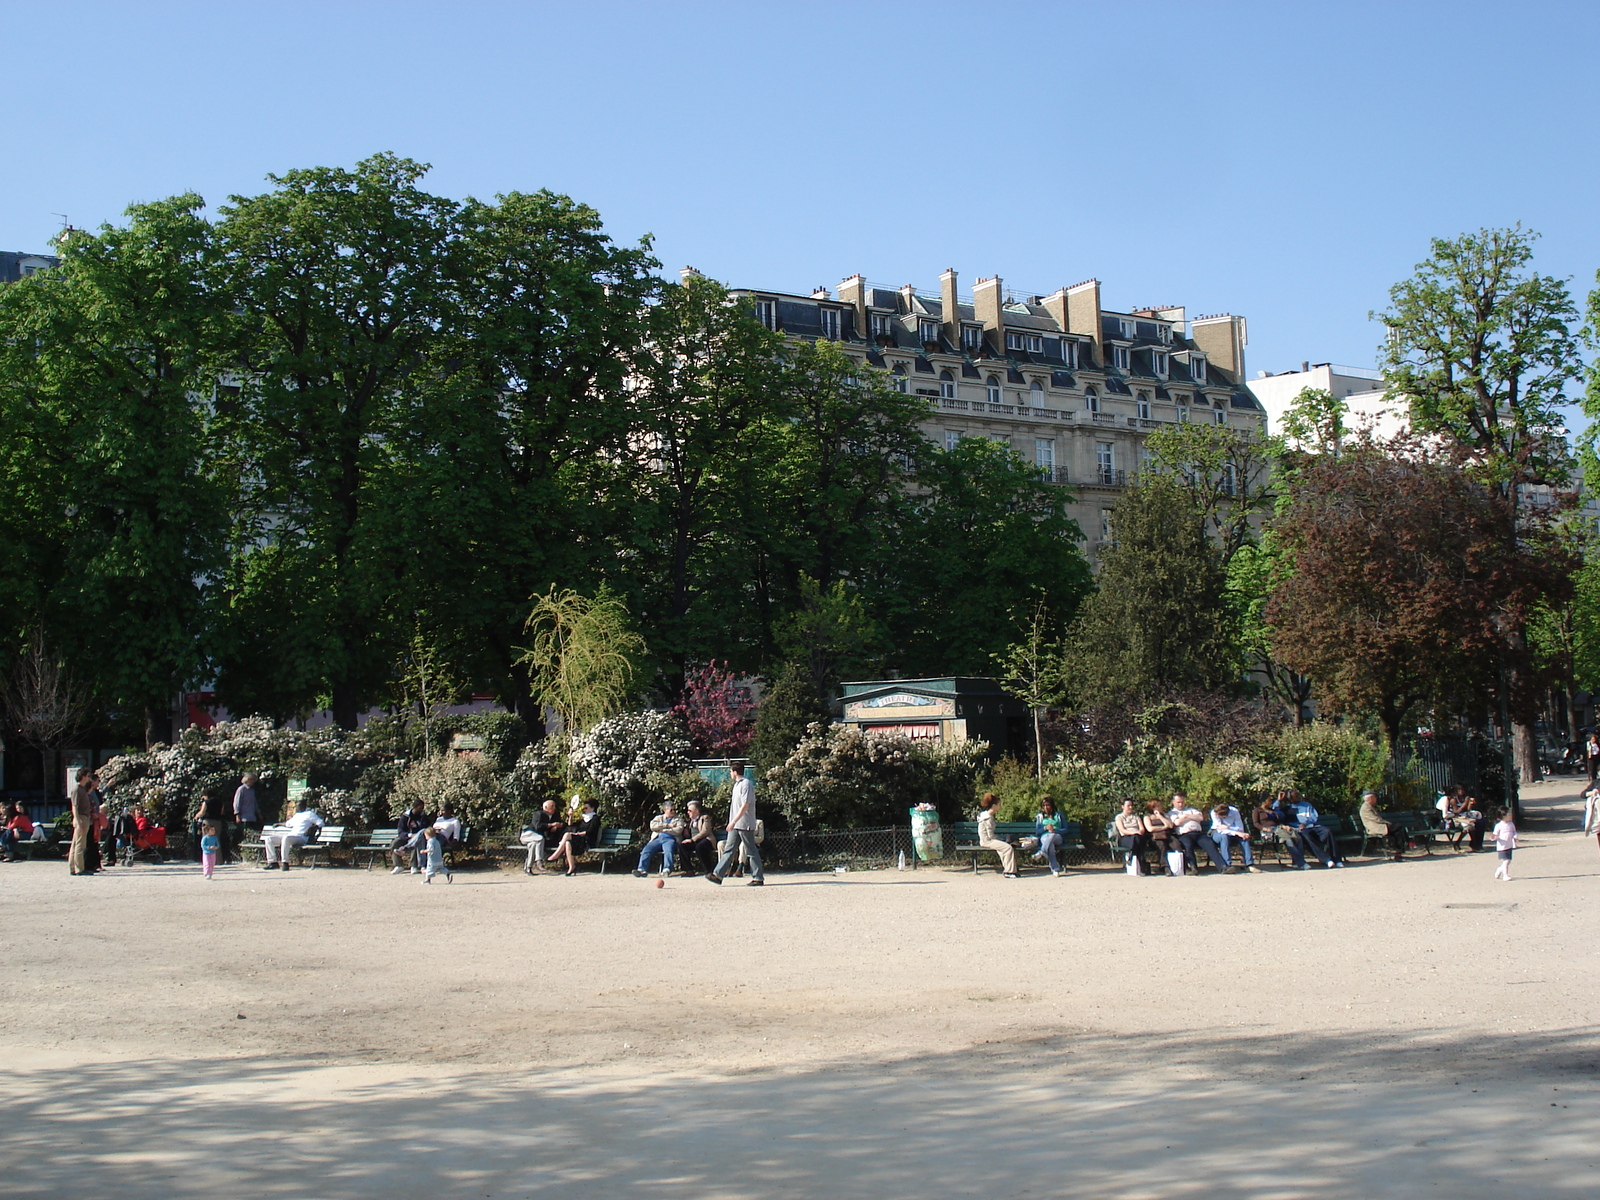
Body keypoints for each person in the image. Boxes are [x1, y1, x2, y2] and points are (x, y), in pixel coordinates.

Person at [707, 762, 765, 885]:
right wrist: (732, 822)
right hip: (735, 824)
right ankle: (718, 875)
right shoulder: (737, 785)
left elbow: (745, 805)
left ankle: (758, 877)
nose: (730, 774)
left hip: (744, 823)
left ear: (735, 771)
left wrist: (734, 821)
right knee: (729, 849)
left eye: (730, 771)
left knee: (751, 850)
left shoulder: (746, 784)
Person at [1168, 792, 1231, 875]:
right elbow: (1177, 823)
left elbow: (1200, 818)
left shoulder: (1191, 810)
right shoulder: (1172, 813)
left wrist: (1185, 817)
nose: (1181, 804)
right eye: (1178, 802)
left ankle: (1223, 867)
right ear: (1173, 802)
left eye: (1182, 802)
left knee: (1210, 844)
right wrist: (1191, 817)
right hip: (1184, 834)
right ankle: (1193, 868)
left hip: (1198, 833)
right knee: (1188, 846)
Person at [263, 799, 323, 870]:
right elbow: (288, 824)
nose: (296, 807)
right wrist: (279, 824)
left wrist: (311, 827)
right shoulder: (297, 815)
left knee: (286, 838)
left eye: (298, 806)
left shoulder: (310, 814)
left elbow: (321, 823)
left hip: (301, 838)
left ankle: (285, 863)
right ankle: (272, 862)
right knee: (269, 839)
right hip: (292, 837)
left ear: (303, 806)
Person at [1288, 790, 1341, 867]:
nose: (1299, 797)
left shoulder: (1307, 805)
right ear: (1291, 799)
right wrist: (1299, 825)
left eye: (1298, 795)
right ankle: (1326, 860)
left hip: (1313, 826)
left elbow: (1314, 816)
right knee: (1307, 836)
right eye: (1296, 796)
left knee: (1327, 832)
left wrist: (1305, 823)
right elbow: (1288, 821)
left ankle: (1337, 859)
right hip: (1302, 830)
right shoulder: (1289, 808)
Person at [1255, 794, 1307, 870]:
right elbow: (1256, 823)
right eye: (1269, 800)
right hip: (1268, 832)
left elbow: (1278, 822)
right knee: (1288, 840)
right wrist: (1264, 829)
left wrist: (1284, 826)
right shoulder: (1257, 810)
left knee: (1297, 837)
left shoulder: (1272, 810)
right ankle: (1301, 863)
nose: (1271, 802)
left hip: (1278, 829)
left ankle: (1296, 861)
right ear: (1264, 801)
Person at [972, 792, 1018, 878]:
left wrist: (1002, 840)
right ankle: (1009, 872)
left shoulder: (988, 816)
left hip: (989, 840)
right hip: (987, 841)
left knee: (1004, 847)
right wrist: (1002, 840)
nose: (1000, 806)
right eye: (999, 804)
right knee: (1008, 848)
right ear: (994, 805)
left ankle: (1010, 870)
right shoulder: (987, 817)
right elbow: (990, 836)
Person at [549, 799, 600, 876]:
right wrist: (570, 816)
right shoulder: (584, 818)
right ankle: (571, 866)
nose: (584, 810)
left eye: (586, 808)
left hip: (588, 840)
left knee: (567, 835)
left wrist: (576, 834)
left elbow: (590, 832)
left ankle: (556, 854)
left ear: (592, 808)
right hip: (580, 839)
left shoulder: (595, 819)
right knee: (567, 843)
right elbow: (570, 825)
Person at [634, 801, 685, 877]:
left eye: (674, 810)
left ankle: (666, 869)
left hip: (670, 839)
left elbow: (678, 830)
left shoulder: (678, 819)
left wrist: (663, 830)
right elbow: (653, 826)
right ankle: (642, 870)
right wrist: (667, 825)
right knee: (646, 849)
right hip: (657, 838)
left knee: (668, 850)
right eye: (671, 810)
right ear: (665, 810)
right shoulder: (659, 818)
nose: (673, 811)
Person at [1209, 802, 1261, 873]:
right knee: (1224, 837)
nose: (1216, 816)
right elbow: (1220, 830)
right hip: (1217, 833)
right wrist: (1236, 832)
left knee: (1244, 838)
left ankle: (1249, 864)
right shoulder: (1214, 813)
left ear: (1225, 816)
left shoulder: (1234, 811)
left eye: (1218, 816)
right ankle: (1227, 865)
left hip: (1232, 833)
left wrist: (1229, 827)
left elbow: (1240, 828)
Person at [1359, 790, 1406, 861]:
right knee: (1398, 827)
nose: (1376, 799)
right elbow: (1376, 819)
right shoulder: (1365, 808)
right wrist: (1388, 823)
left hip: (1380, 826)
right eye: (1375, 797)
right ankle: (1405, 847)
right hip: (1375, 828)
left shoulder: (1369, 806)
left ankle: (1399, 853)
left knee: (1398, 831)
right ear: (1370, 798)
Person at [519, 799, 561, 874]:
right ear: (545, 807)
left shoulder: (555, 816)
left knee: (533, 845)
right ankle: (539, 861)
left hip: (535, 839)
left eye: (554, 806)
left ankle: (528, 868)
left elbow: (561, 823)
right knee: (540, 838)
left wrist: (557, 826)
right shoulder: (538, 814)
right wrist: (551, 825)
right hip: (528, 834)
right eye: (552, 806)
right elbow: (537, 826)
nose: (554, 808)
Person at [391, 801, 434, 874]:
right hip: (407, 837)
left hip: (419, 838)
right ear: (415, 807)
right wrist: (409, 835)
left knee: (416, 843)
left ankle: (413, 865)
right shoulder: (405, 817)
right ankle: (398, 865)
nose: (422, 810)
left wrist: (417, 836)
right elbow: (400, 831)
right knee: (394, 843)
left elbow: (425, 828)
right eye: (420, 808)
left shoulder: (423, 817)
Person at [68, 769, 97, 875]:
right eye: (88, 775)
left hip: (84, 817)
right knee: (80, 845)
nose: (89, 778)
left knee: (76, 844)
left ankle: (73, 867)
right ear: (83, 776)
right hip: (81, 818)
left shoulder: (82, 789)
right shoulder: (77, 789)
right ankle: (79, 868)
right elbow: (74, 806)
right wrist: (77, 821)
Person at [677, 799, 718, 875]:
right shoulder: (691, 820)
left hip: (706, 840)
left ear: (696, 810)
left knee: (700, 847)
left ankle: (708, 870)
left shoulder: (705, 818)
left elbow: (705, 831)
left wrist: (692, 839)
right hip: (695, 841)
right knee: (682, 846)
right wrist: (685, 829)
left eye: (690, 810)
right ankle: (689, 870)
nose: (688, 812)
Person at [1031, 795, 1068, 877]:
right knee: (1050, 845)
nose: (1046, 807)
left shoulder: (1059, 815)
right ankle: (1055, 869)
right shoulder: (1040, 816)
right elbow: (1037, 832)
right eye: (1044, 806)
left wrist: (1055, 830)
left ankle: (1042, 852)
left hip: (1057, 837)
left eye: (1048, 805)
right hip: (1044, 837)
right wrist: (1045, 828)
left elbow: (1065, 829)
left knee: (1052, 835)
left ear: (1052, 806)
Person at [1113, 799, 1148, 875]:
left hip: (1137, 837)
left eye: (1131, 805)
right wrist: (1134, 832)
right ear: (1122, 807)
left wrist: (1139, 832)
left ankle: (1131, 855)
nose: (1130, 807)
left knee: (1138, 838)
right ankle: (1142, 866)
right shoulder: (1119, 817)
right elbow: (1122, 830)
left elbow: (1142, 828)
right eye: (1128, 806)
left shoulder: (1136, 817)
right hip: (1126, 838)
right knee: (1136, 839)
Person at [1143, 800, 1179, 874]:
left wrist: (1160, 816)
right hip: (1155, 838)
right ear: (1153, 808)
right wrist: (1164, 827)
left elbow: (1170, 825)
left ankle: (1181, 865)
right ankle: (1165, 867)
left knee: (1176, 844)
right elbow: (1150, 829)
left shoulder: (1165, 815)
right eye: (1158, 806)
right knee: (1161, 845)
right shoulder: (1147, 817)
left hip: (1167, 835)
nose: (1161, 807)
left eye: (1160, 805)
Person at [194, 788, 229, 864]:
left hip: (208, 821)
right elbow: (221, 812)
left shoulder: (206, 802)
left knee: (206, 840)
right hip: (218, 822)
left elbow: (202, 812)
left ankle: (208, 860)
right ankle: (218, 860)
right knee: (216, 840)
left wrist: (196, 816)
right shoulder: (220, 802)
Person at [232, 772, 260, 862]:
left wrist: (258, 813)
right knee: (243, 835)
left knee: (251, 835)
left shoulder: (252, 790)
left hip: (252, 817)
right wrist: (237, 815)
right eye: (250, 780)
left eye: (253, 780)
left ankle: (250, 854)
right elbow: (236, 803)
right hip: (244, 817)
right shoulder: (241, 789)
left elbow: (254, 803)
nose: (252, 782)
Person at [1491, 807, 1517, 881]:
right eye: (1508, 814)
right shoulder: (1498, 825)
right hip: (1502, 846)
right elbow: (1495, 835)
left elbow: (1514, 831)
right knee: (1506, 861)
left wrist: (1515, 837)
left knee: (1508, 861)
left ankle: (1500, 869)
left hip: (1509, 845)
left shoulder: (1511, 824)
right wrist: (1494, 837)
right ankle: (1505, 875)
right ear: (1503, 816)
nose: (1510, 815)